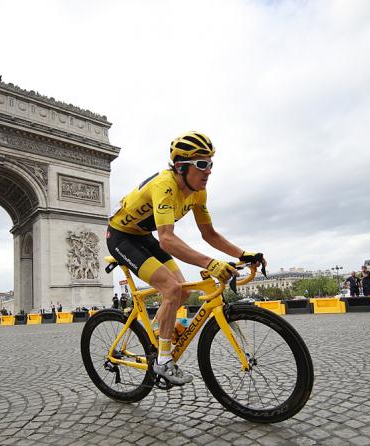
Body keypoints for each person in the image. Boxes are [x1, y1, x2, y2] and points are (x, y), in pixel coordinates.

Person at [107, 131, 266, 386]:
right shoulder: (165, 184)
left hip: (144, 235)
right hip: (122, 237)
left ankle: (158, 339)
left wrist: (242, 254)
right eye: (202, 164)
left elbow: (209, 234)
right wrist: (210, 263)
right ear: (181, 167)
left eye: (211, 164)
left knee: (180, 292)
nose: (209, 171)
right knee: (171, 289)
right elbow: (167, 239)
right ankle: (163, 361)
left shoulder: (198, 192)